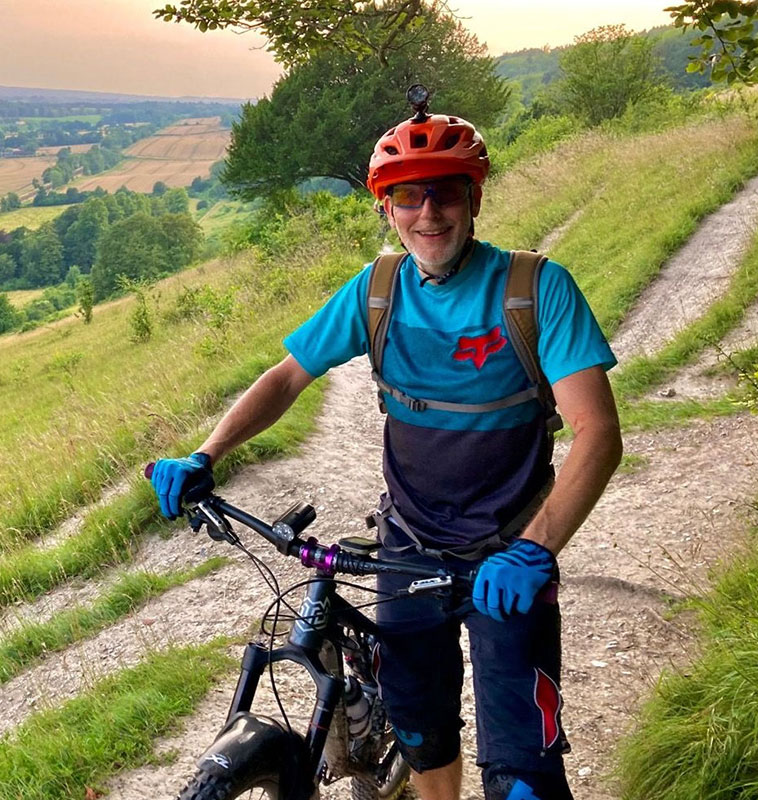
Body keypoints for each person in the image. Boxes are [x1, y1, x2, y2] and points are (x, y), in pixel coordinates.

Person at [149, 92, 622, 800]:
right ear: (385, 208)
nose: (427, 213)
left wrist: (538, 547)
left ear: (474, 199)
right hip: (409, 547)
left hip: (509, 554)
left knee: (525, 776)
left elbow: (599, 433)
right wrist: (206, 454)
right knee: (424, 735)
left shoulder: (535, 290)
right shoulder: (378, 289)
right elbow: (286, 378)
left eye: (445, 193)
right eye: (407, 196)